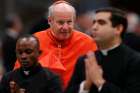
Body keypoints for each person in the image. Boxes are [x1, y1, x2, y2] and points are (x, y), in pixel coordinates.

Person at [14, 0, 97, 90]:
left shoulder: (88, 43)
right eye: (60, 22)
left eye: (69, 22)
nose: (65, 27)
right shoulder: (32, 42)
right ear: (50, 21)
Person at [66, 7, 140, 93]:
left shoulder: (134, 61)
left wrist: (100, 82)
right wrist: (85, 86)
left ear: (118, 29)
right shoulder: (84, 60)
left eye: (101, 23)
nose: (94, 27)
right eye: (94, 23)